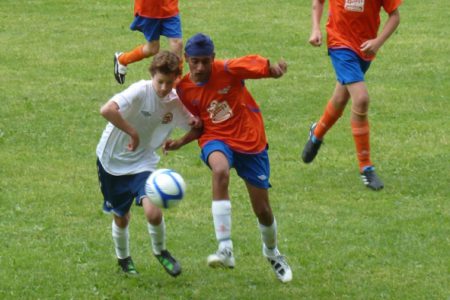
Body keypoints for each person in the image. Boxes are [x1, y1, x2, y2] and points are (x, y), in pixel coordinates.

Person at [163, 33, 293, 283]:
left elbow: (253, 64)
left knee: (263, 210)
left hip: (250, 141)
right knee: (220, 171)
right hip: (216, 139)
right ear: (186, 59)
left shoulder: (227, 69)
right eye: (195, 62)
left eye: (205, 61)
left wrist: (273, 70)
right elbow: (199, 125)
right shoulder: (183, 89)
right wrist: (180, 141)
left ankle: (272, 253)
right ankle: (225, 247)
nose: (200, 68)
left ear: (213, 58)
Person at [97, 51, 202, 276]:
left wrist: (182, 139)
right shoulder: (140, 90)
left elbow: (196, 126)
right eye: (160, 82)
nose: (164, 88)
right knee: (121, 217)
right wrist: (132, 132)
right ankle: (124, 258)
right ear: (152, 75)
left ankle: (160, 251)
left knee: (153, 213)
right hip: (112, 161)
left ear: (176, 78)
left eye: (169, 82)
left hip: (143, 161)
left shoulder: (174, 101)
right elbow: (107, 110)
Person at [301, 0, 401, 190]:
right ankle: (366, 167)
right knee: (361, 99)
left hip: (365, 49)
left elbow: (395, 17)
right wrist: (315, 28)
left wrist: (377, 42)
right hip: (340, 45)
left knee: (340, 99)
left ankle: (317, 133)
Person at [114, 0, 183, 84]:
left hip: (169, 7)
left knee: (177, 43)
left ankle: (177, 84)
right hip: (149, 10)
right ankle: (122, 59)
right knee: (152, 48)